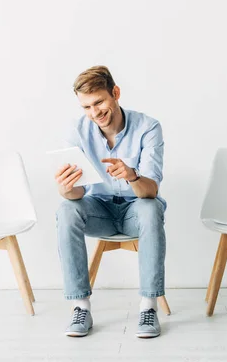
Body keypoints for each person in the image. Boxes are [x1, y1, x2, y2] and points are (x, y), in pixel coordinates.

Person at [55, 65, 167, 338]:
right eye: (86, 107)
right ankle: (80, 307)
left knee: (151, 209)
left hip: (135, 209)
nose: (95, 113)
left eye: (99, 102)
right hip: (99, 210)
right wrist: (66, 189)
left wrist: (131, 175)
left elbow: (150, 191)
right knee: (66, 209)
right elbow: (77, 194)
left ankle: (148, 307)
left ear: (115, 93)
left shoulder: (148, 127)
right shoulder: (77, 131)